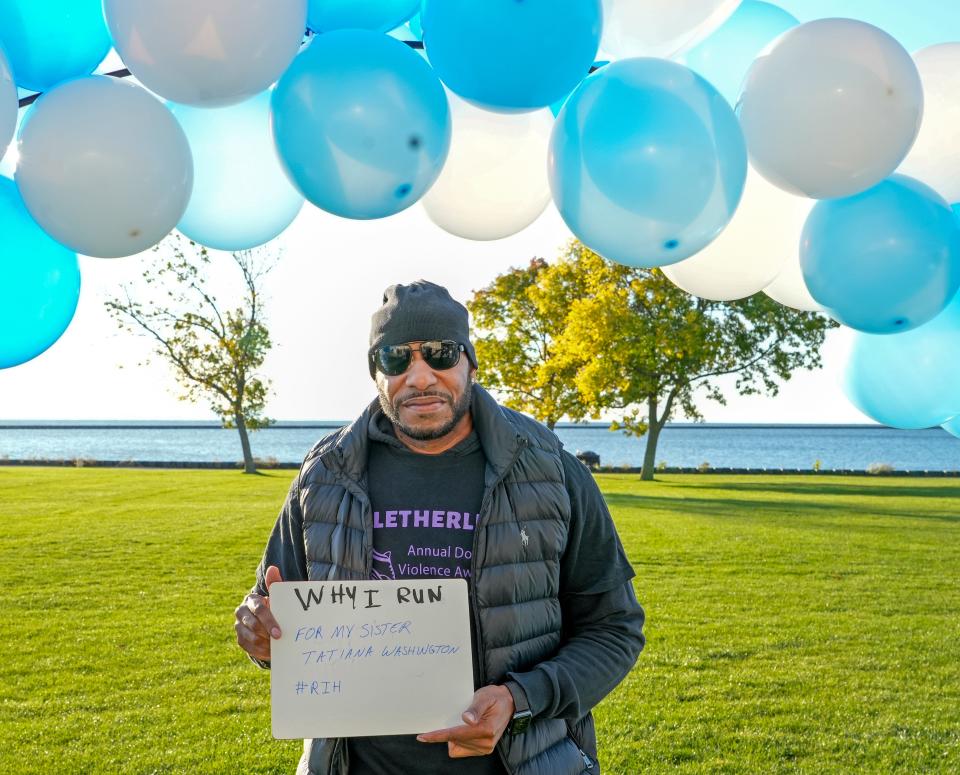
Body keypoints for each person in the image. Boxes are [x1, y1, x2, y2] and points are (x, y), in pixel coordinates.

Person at [235, 280, 645, 775]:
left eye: (440, 353)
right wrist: (261, 634)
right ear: (375, 374)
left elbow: (614, 628)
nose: (420, 376)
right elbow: (272, 614)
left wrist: (520, 699)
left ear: (471, 362)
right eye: (395, 359)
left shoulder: (550, 468)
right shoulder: (324, 475)